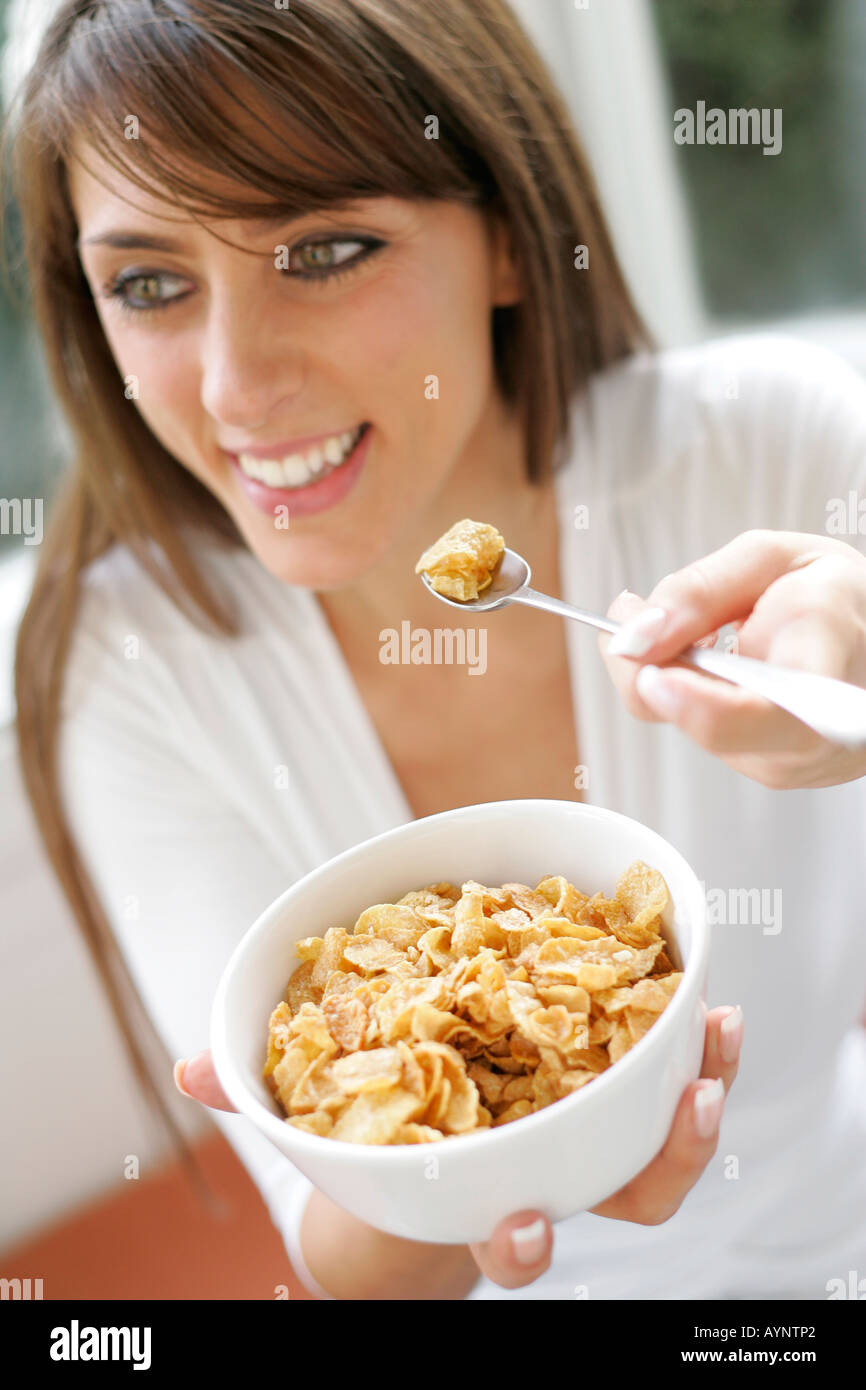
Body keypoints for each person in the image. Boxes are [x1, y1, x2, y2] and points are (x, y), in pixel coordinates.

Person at [7, 0, 866, 1301]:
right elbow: (346, 1261)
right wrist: (414, 1161)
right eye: (150, 282)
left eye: (326, 248)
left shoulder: (776, 456)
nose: (235, 384)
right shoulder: (126, 663)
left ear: (511, 241)